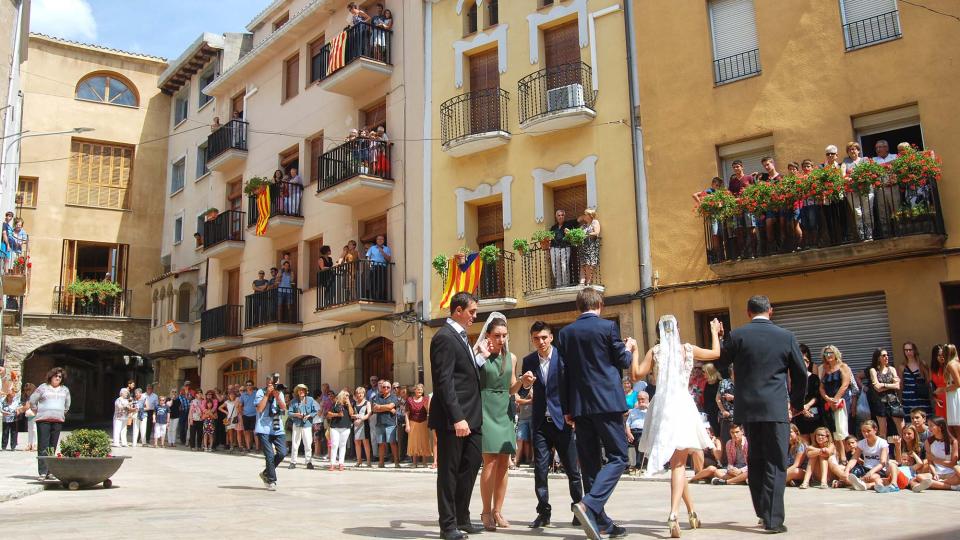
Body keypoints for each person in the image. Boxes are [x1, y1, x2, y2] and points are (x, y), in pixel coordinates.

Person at [714, 296, 806, 534]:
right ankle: (773, 520)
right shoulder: (786, 336)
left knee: (755, 460)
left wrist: (721, 337)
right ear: (771, 311)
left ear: (748, 312)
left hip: (749, 409)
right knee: (776, 462)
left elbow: (720, 364)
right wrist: (796, 403)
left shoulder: (738, 335)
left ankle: (763, 512)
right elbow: (801, 373)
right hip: (775, 407)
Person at [633, 314, 721, 537]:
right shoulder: (687, 349)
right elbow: (716, 354)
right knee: (679, 465)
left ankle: (691, 512)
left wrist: (633, 350)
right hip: (681, 405)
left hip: (662, 406)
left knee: (677, 464)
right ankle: (673, 514)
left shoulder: (655, 351)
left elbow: (636, 374)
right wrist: (714, 332)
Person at [559, 287, 636, 540]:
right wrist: (630, 348)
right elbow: (623, 361)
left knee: (590, 464)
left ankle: (601, 522)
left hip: (580, 406)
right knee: (618, 457)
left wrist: (567, 408)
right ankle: (589, 504)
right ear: (600, 304)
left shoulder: (566, 333)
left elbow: (563, 373)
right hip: (607, 403)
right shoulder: (608, 328)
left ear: (578, 307)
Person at [429, 291, 484, 540]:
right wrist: (457, 417)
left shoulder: (461, 337)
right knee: (449, 474)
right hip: (454, 420)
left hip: (473, 419)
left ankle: (462, 516)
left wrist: (479, 355)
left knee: (470, 467)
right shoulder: (444, 338)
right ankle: (448, 525)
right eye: (472, 312)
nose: (475, 316)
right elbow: (445, 382)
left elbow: (467, 376)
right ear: (458, 310)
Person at [519, 321, 584, 529]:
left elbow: (575, 386)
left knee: (572, 471)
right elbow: (522, 392)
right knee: (540, 470)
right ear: (532, 339)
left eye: (544, 337)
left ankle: (578, 510)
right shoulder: (528, 360)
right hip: (540, 424)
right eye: (536, 338)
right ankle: (543, 512)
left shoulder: (564, 357)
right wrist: (525, 384)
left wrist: (573, 413)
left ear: (551, 337)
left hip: (563, 421)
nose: (541, 342)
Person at [471, 314, 525, 531]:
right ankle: (485, 511)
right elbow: (469, 378)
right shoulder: (478, 354)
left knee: (504, 464)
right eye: (497, 335)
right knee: (490, 462)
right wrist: (480, 356)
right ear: (488, 335)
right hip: (485, 409)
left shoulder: (511, 358)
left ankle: (498, 511)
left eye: (504, 335)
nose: (501, 339)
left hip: (505, 411)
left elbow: (511, 388)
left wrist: (522, 381)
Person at [29, 367, 71, 480]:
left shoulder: (65, 390)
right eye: (55, 376)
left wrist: (60, 412)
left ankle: (50, 471)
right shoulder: (43, 387)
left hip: (57, 420)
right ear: (51, 376)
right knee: (43, 446)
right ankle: (42, 472)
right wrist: (36, 409)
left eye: (60, 377)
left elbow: (67, 405)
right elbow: (32, 400)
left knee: (52, 447)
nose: (57, 378)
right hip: (44, 420)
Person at [846, 420, 900, 492]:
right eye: (863, 431)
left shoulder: (882, 443)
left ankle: (893, 485)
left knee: (890, 466)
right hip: (866, 469)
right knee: (847, 473)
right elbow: (854, 459)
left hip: (879, 470)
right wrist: (846, 470)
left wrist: (871, 472)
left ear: (875, 430)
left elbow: (882, 463)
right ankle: (871, 484)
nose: (866, 433)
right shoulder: (861, 443)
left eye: (868, 431)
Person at [909, 416, 960, 492]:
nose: (929, 428)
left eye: (931, 426)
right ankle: (951, 487)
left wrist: (934, 459)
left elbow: (953, 464)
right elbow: (930, 462)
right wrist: (934, 473)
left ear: (940, 427)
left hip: (951, 474)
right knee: (919, 477)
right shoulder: (928, 441)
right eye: (928, 425)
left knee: (957, 469)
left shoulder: (953, 441)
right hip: (936, 473)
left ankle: (936, 484)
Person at [255, 377, 287, 491]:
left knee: (283, 453)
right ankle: (271, 480)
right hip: (264, 428)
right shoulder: (260, 392)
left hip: (277, 427)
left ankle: (265, 473)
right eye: (274, 384)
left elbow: (284, 408)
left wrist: (277, 396)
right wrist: (267, 395)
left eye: (277, 384)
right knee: (269, 455)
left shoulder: (279, 393)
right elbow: (259, 409)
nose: (275, 386)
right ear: (268, 383)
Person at [820, 345, 852, 455]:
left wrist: (835, 400)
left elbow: (845, 384)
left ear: (835, 354)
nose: (828, 355)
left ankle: (846, 456)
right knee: (833, 429)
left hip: (841, 401)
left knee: (841, 429)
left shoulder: (843, 366)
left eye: (830, 353)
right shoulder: (824, 368)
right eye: (826, 354)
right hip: (829, 402)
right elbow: (821, 387)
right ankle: (838, 455)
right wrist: (828, 399)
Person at [840, 141, 873, 241]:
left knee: (868, 212)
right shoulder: (845, 162)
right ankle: (862, 236)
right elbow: (842, 175)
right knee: (858, 213)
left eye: (854, 149)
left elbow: (869, 172)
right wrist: (846, 178)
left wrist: (853, 177)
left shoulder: (865, 160)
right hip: (852, 190)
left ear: (858, 150)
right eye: (849, 150)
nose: (852, 151)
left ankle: (870, 234)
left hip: (866, 189)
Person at [868, 348, 904, 439]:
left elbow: (897, 386)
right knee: (883, 431)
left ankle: (904, 449)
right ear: (878, 358)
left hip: (893, 401)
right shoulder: (873, 370)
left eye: (887, 355)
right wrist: (891, 385)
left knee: (901, 429)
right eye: (883, 355)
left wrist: (883, 385)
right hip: (880, 403)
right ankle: (884, 451)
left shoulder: (891, 369)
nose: (886, 357)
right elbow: (877, 388)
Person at [792, 344, 823, 444]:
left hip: (812, 410)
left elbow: (817, 395)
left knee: (815, 437)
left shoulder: (814, 377)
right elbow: (793, 394)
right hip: (799, 412)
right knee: (803, 439)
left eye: (806, 361)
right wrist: (800, 408)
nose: (803, 363)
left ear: (808, 363)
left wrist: (807, 406)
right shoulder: (795, 378)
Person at [727, 160, 757, 259]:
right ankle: (743, 254)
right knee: (739, 231)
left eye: (737, 166)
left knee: (751, 230)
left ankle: (753, 252)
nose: (736, 169)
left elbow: (755, 191)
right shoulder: (732, 181)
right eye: (734, 167)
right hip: (737, 209)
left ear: (742, 167)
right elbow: (730, 195)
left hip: (748, 207)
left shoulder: (749, 178)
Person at [371, 378, 402, 468]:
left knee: (392, 443)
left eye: (388, 387)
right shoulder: (377, 397)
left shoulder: (394, 397)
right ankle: (381, 463)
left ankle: (396, 462)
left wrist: (380, 407)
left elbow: (391, 406)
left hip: (390, 424)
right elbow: (374, 409)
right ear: (381, 387)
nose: (385, 388)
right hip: (379, 423)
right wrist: (387, 408)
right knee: (381, 444)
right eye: (384, 387)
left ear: (390, 388)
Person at [287, 384, 317, 469]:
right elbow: (289, 413)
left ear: (306, 391)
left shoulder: (310, 400)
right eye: (299, 390)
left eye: (303, 390)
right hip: (297, 423)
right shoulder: (293, 401)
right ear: (297, 392)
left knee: (308, 443)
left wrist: (309, 415)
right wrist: (296, 414)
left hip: (307, 424)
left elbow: (315, 411)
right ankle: (293, 462)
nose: (301, 391)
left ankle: (309, 462)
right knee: (295, 443)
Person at [899, 341, 932, 417]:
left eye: (910, 350)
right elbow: (901, 385)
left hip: (922, 398)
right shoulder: (902, 366)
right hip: (908, 400)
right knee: (911, 422)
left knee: (925, 420)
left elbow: (928, 380)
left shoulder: (922, 364)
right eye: (906, 350)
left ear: (914, 350)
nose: (908, 352)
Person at [405, 383, 431, 468]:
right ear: (414, 390)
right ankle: (414, 463)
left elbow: (428, 411)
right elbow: (406, 413)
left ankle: (424, 463)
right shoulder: (409, 400)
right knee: (413, 442)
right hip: (413, 423)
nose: (419, 391)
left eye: (421, 389)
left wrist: (427, 406)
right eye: (418, 389)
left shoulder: (426, 399)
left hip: (424, 422)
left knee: (424, 441)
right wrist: (407, 425)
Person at [326, 390, 353, 471]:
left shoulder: (349, 405)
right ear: (342, 396)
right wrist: (337, 414)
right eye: (346, 395)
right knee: (334, 445)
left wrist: (349, 405)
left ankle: (341, 463)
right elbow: (328, 415)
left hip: (345, 427)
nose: (347, 397)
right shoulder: (335, 403)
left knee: (343, 445)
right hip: (335, 427)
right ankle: (332, 464)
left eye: (348, 396)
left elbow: (351, 414)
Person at [549, 209, 576, 287]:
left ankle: (566, 284)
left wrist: (569, 233)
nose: (560, 217)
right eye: (559, 215)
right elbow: (550, 239)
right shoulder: (553, 227)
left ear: (564, 216)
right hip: (554, 249)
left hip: (565, 248)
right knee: (555, 267)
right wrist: (548, 252)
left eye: (562, 215)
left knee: (564, 266)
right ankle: (558, 284)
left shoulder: (569, 224)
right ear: (556, 217)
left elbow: (578, 220)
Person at [939, 345, 960, 439]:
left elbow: (958, 383)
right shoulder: (955, 362)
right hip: (953, 394)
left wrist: (943, 390)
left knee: (957, 426)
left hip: (955, 396)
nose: (941, 354)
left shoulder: (951, 364)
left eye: (943, 352)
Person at [625, 392, 649, 473]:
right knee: (621, 442)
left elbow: (656, 418)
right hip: (632, 432)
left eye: (642, 399)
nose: (640, 401)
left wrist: (647, 407)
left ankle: (638, 465)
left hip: (644, 432)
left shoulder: (650, 410)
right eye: (639, 399)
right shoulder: (633, 411)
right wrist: (628, 433)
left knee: (639, 442)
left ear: (647, 400)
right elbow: (627, 424)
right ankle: (626, 465)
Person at [364, 235, 392, 302]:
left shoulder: (387, 249)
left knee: (381, 283)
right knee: (373, 282)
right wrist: (369, 264)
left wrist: (382, 252)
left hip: (382, 267)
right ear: (376, 240)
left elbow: (389, 259)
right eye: (378, 239)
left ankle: (381, 298)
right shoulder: (372, 248)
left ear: (383, 241)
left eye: (381, 239)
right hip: (374, 266)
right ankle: (373, 298)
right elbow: (367, 257)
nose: (380, 240)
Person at [579, 208, 601, 286]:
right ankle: (582, 282)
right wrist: (570, 233)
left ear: (590, 215)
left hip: (591, 247)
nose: (584, 216)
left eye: (585, 214)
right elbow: (578, 234)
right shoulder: (583, 226)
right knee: (583, 264)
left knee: (589, 264)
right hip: (583, 247)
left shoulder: (595, 222)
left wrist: (586, 235)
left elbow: (596, 232)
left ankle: (588, 282)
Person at [352, 386, 373, 467]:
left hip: (364, 424)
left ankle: (368, 461)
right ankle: (359, 460)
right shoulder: (354, 403)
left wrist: (361, 419)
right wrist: (354, 418)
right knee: (357, 442)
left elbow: (369, 413)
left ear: (364, 393)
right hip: (356, 425)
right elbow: (351, 414)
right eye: (357, 393)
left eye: (361, 393)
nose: (359, 394)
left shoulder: (367, 402)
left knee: (366, 442)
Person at [716, 365, 736, 448]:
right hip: (726, 417)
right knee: (725, 441)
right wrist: (723, 411)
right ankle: (725, 461)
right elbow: (718, 399)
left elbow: (747, 399)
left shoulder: (744, 382)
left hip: (739, 417)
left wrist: (733, 398)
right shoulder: (723, 382)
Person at [240, 380, 259, 451]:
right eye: (247, 385)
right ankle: (248, 447)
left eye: (250, 384)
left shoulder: (256, 393)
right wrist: (241, 413)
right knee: (246, 432)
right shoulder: (243, 395)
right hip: (245, 415)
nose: (248, 386)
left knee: (255, 432)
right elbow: (240, 405)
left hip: (255, 415)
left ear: (253, 385)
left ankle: (257, 448)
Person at [21, 382, 36, 451]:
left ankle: (35, 444)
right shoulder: (27, 398)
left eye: (28, 390)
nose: (27, 392)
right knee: (30, 430)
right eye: (26, 390)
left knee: (34, 430)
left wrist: (21, 409)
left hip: (35, 415)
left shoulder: (35, 397)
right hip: (30, 415)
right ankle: (29, 444)